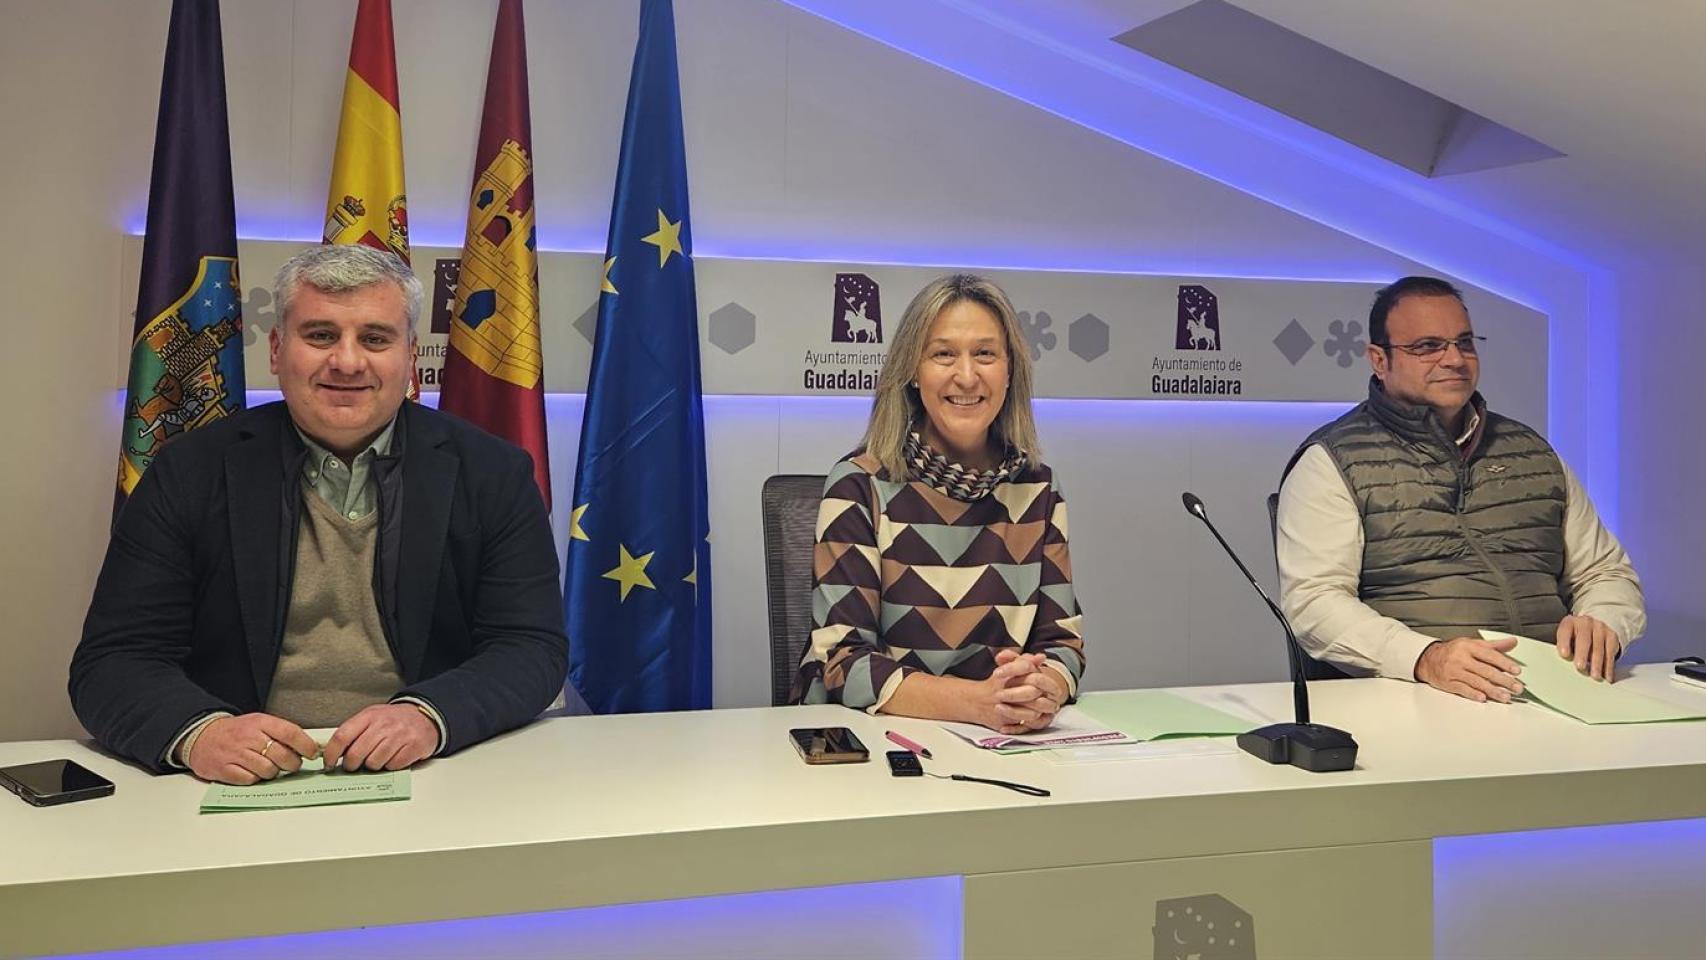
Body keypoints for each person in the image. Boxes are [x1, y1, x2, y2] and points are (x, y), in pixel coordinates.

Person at [71, 244, 567, 783]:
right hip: (241, 780)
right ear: (277, 350)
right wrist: (200, 733)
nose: (347, 362)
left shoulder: (494, 472)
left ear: (410, 356)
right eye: (321, 335)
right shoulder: (187, 472)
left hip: (430, 771)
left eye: (375, 339)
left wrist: (430, 717)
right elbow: (114, 660)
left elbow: (530, 647)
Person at [1276, 276, 1643, 703]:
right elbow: (1314, 602)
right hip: (1419, 699)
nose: (1454, 359)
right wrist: (1425, 658)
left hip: (1561, 693)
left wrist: (1603, 622)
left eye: (1464, 342)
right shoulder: (1332, 460)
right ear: (1379, 360)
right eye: (1428, 346)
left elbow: (1605, 573)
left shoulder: (1532, 451)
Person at [789, 274, 1084, 733]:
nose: (966, 376)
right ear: (913, 370)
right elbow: (842, 661)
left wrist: (1045, 687)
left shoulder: (1039, 488)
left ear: (1010, 372)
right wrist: (978, 703)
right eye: (943, 354)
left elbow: (1062, 643)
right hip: (881, 742)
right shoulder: (859, 486)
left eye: (985, 354)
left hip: (1004, 742)